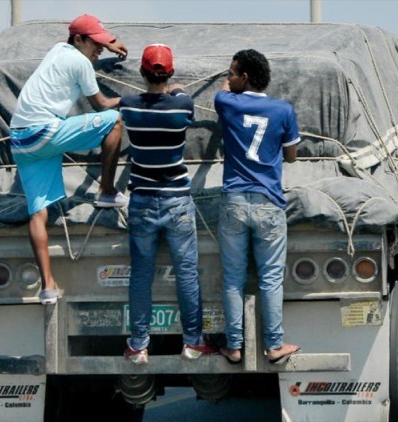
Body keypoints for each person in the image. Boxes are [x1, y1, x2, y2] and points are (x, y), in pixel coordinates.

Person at [9, 14, 129, 305]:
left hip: (20, 139)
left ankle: (47, 287)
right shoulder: (79, 62)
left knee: (38, 213)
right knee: (113, 121)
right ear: (78, 40)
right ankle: (106, 192)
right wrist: (133, 99)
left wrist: (109, 43)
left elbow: (89, 44)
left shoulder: (57, 50)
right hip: (44, 132)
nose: (99, 49)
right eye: (95, 43)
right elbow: (101, 104)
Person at [120, 44, 215, 364]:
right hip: (176, 200)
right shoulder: (182, 106)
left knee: (140, 275)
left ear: (142, 73)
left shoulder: (129, 106)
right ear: (170, 72)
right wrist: (175, 91)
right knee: (186, 272)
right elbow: (180, 102)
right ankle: (192, 342)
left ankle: (138, 344)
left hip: (142, 201)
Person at [215, 49, 301, 365]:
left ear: (244, 77)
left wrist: (227, 83)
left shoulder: (226, 102)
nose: (228, 77)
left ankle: (234, 346)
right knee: (270, 279)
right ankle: (274, 345)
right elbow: (291, 156)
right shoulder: (283, 110)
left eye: (232, 72)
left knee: (233, 278)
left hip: (235, 200)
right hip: (269, 202)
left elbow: (223, 91)